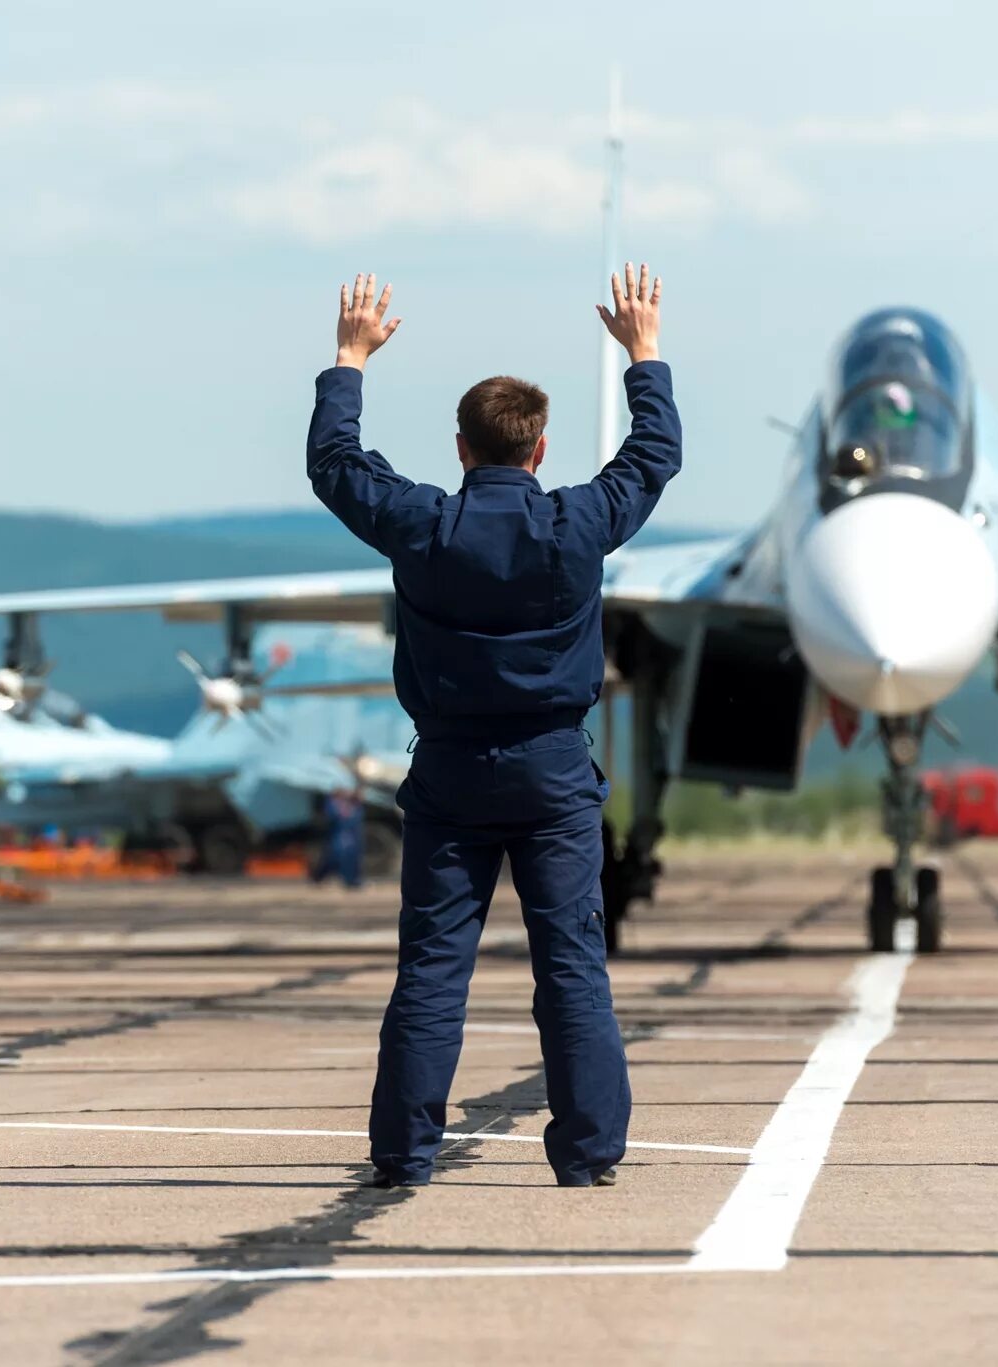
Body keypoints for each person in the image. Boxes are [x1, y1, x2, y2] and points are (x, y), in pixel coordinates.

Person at [308, 265, 679, 1189]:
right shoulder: (576, 526)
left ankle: (404, 1154)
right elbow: (653, 456)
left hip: (451, 774)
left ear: (462, 449)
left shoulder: (425, 527)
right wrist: (644, 352)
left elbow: (337, 467)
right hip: (554, 775)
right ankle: (587, 1153)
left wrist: (350, 360)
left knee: (433, 970)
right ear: (541, 449)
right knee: (572, 969)